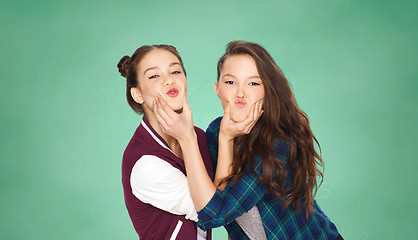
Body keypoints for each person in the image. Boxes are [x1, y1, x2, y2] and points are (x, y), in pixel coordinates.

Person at [153, 41, 342, 239]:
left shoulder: (279, 142)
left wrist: (189, 138)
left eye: (253, 83)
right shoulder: (216, 131)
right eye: (230, 82)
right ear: (217, 89)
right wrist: (225, 138)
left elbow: (215, 214)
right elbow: (215, 201)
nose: (240, 93)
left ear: (267, 90)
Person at [117, 44, 213, 239]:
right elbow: (212, 211)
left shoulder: (198, 137)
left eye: (175, 71)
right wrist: (225, 137)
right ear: (138, 94)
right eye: (154, 76)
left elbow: (226, 186)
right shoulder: (144, 163)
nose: (169, 80)